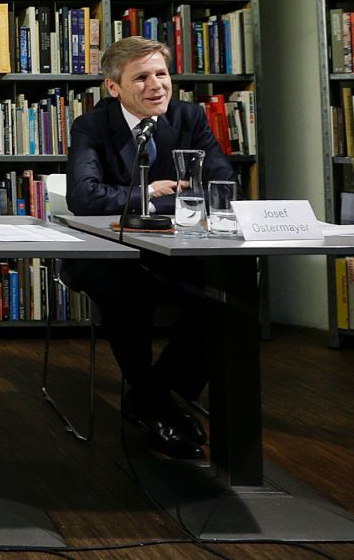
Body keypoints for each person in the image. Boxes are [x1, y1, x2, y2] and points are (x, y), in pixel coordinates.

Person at [62, 35, 233, 460]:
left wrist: (154, 200)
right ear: (113, 87)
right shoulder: (92, 126)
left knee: (229, 297)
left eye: (162, 74)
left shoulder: (189, 118)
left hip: (175, 249)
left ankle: (152, 395)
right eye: (141, 77)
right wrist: (149, 193)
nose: (156, 85)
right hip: (105, 251)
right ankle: (157, 403)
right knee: (125, 288)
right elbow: (84, 198)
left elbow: (223, 189)